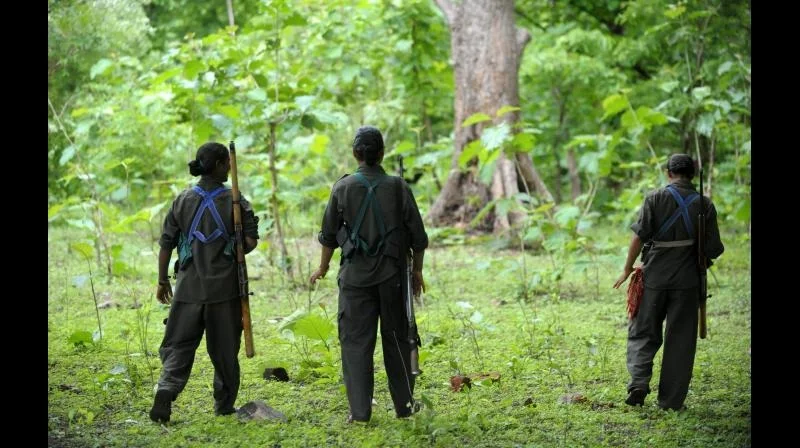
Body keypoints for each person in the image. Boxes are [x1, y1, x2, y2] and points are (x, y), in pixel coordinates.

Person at [309, 126, 428, 423]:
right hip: (393, 278)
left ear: (355, 154)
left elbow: (329, 235)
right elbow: (418, 236)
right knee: (400, 341)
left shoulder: (342, 187)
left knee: (355, 343)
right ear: (382, 153)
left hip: (355, 280)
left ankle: (360, 413)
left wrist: (322, 268)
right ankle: (404, 407)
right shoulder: (399, 187)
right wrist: (417, 271)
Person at [150, 142, 259, 423]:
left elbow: (165, 244)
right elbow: (249, 241)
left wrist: (163, 280)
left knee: (178, 345)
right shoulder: (236, 201)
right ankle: (224, 405)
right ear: (222, 165)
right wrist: (235, 242)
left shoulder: (182, 200)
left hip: (187, 289)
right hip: (224, 291)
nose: (230, 167)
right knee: (224, 351)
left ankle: (165, 391)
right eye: (228, 163)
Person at [613, 153, 724, 411]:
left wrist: (628, 268)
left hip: (654, 278)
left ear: (668, 173)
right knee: (681, 340)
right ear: (693, 175)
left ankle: (639, 383)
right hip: (687, 283)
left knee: (643, 331)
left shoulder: (654, 198)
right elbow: (714, 249)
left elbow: (638, 238)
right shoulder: (704, 205)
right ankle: (671, 402)